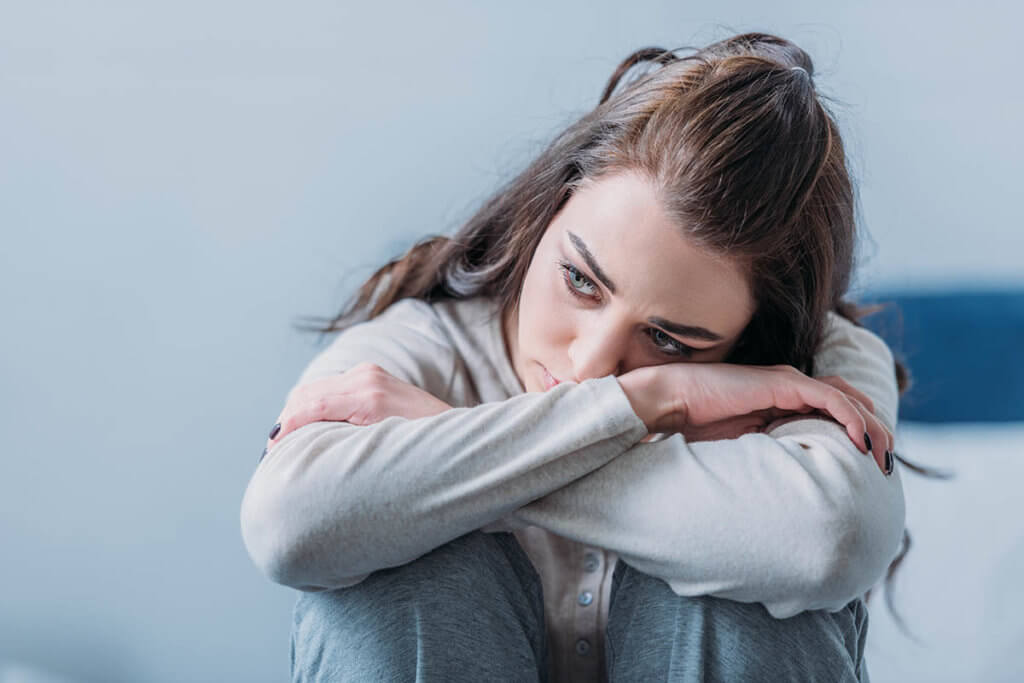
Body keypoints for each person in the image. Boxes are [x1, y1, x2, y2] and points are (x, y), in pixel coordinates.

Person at [240, 32, 907, 682]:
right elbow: (286, 523)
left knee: (752, 588)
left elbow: (831, 538)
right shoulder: (424, 346)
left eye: (668, 339)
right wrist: (647, 398)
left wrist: (450, 444)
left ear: (755, 336)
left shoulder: (812, 373)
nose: (589, 367)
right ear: (548, 209)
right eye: (581, 281)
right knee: (398, 577)